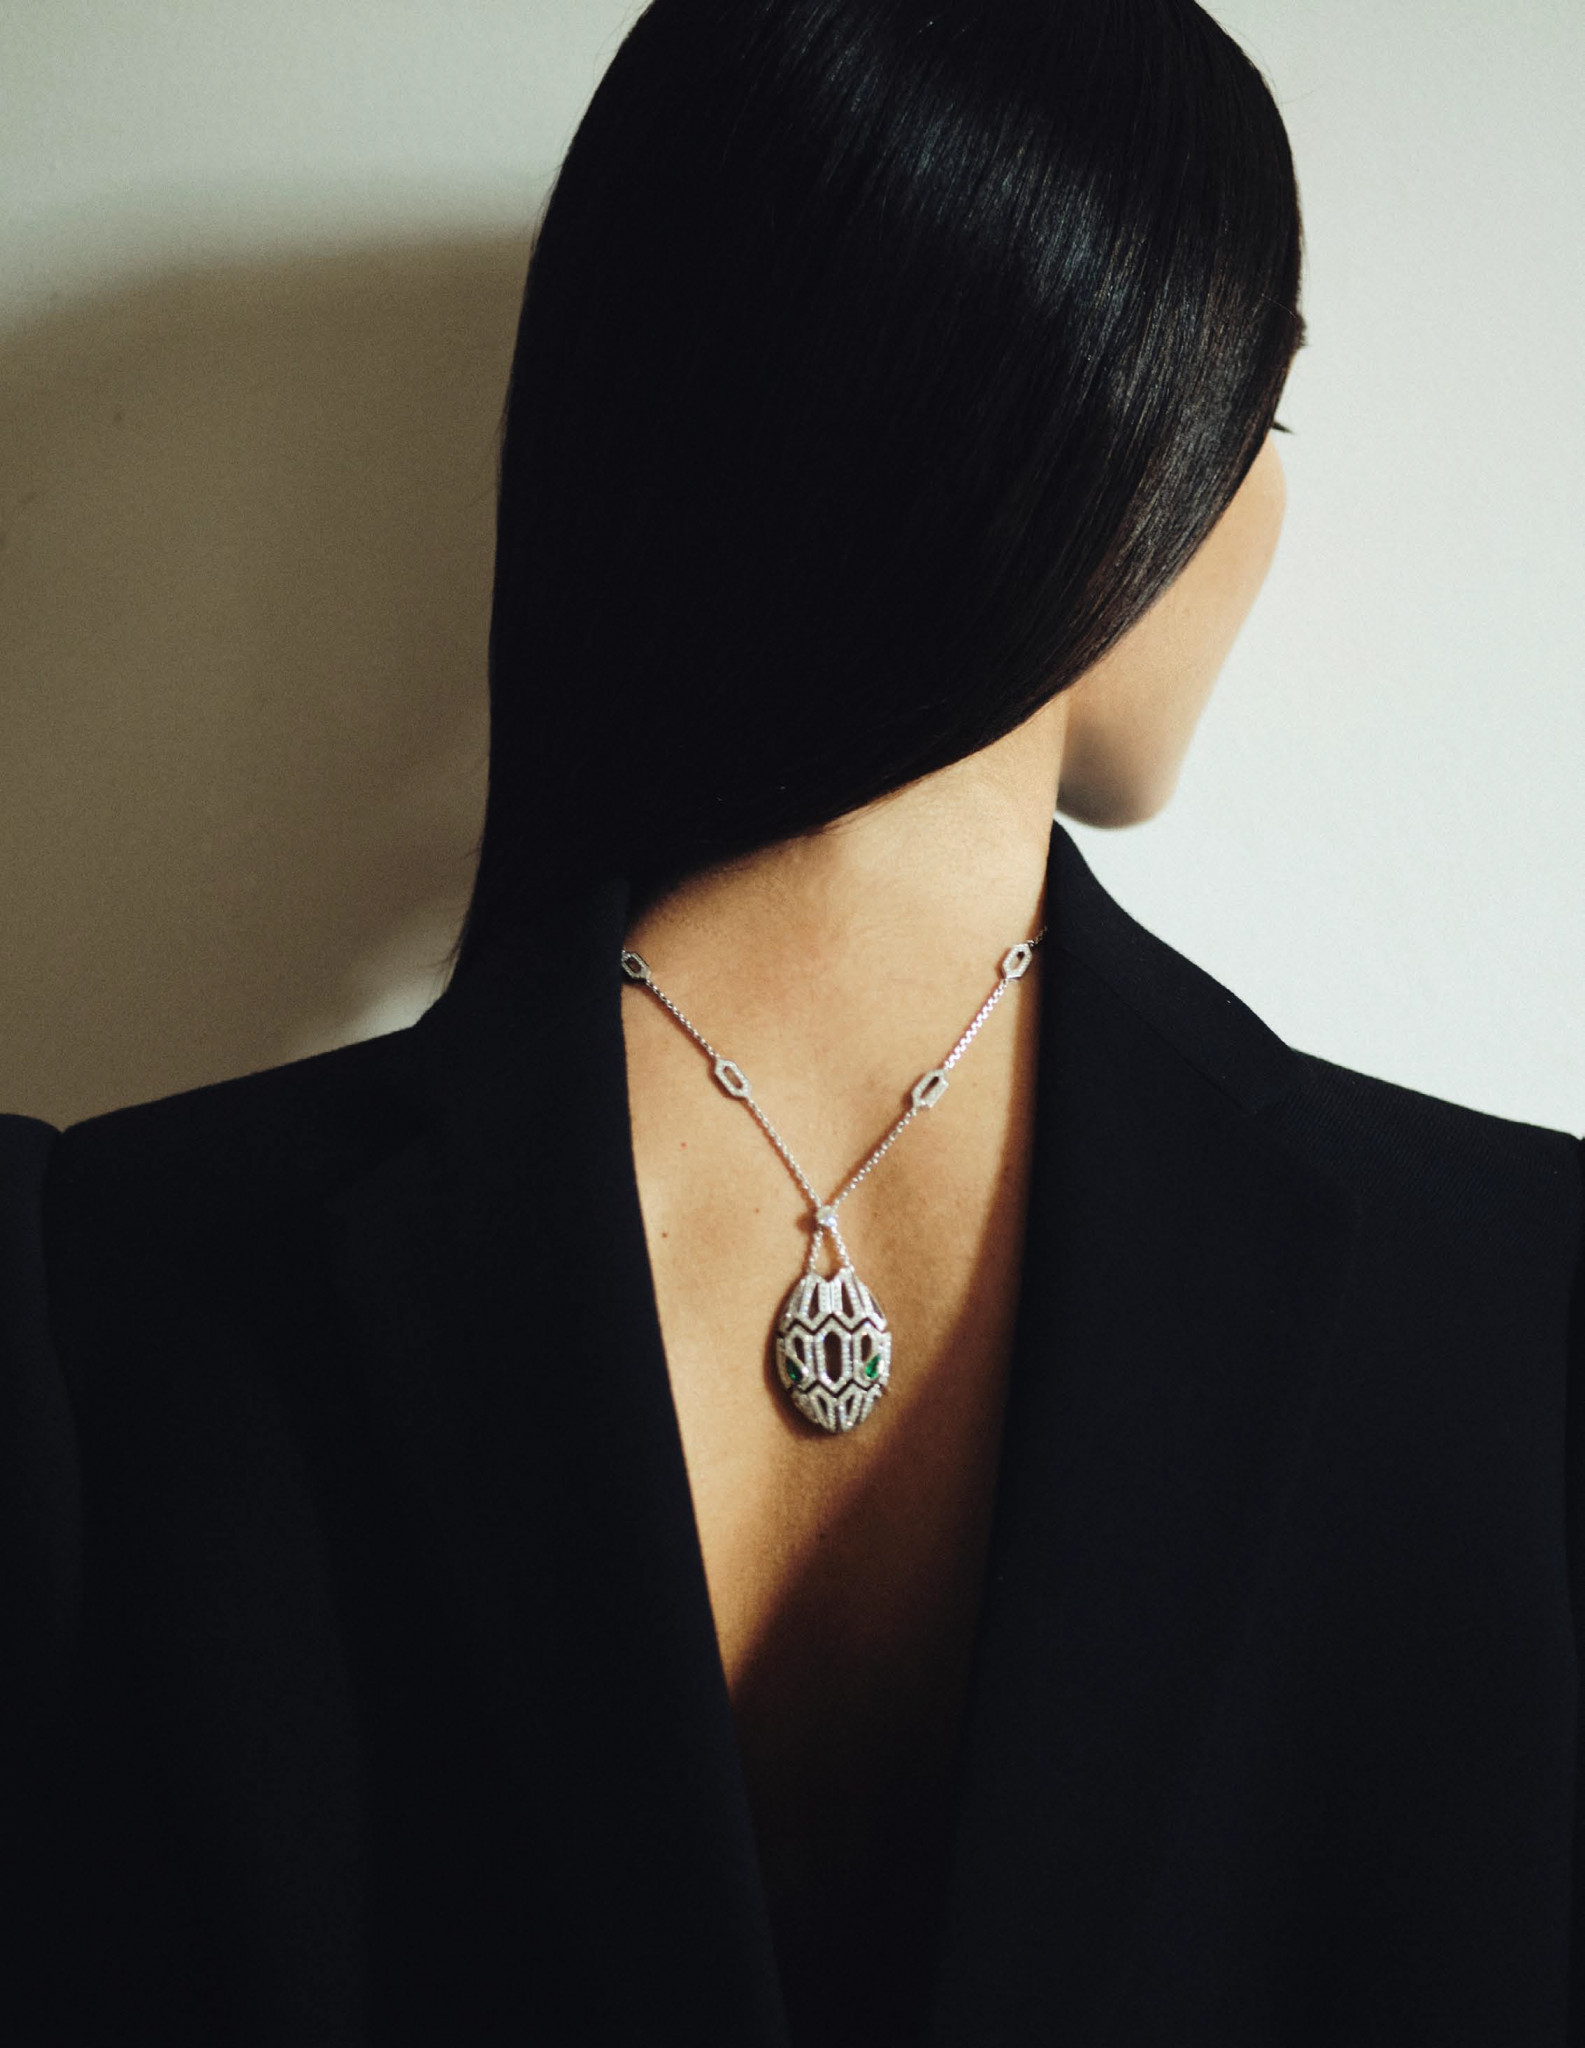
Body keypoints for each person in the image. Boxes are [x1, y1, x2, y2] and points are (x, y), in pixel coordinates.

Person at [2, 1, 1580, 2042]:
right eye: (1259, 410)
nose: (1260, 496)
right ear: (1106, 429)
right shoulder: (1520, 1308)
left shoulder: (99, 1292)